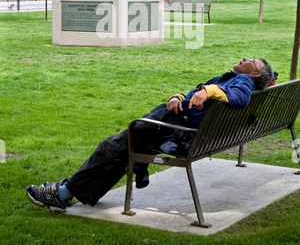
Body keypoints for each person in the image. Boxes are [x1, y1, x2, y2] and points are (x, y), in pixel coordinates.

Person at [26, 57, 273, 212]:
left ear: (253, 74)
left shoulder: (243, 82)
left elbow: (239, 99)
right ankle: (68, 192)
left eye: (252, 60)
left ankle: (62, 194)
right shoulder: (236, 79)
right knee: (121, 153)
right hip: (180, 126)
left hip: (171, 129)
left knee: (111, 148)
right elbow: (196, 92)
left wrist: (208, 91)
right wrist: (178, 96)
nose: (244, 58)